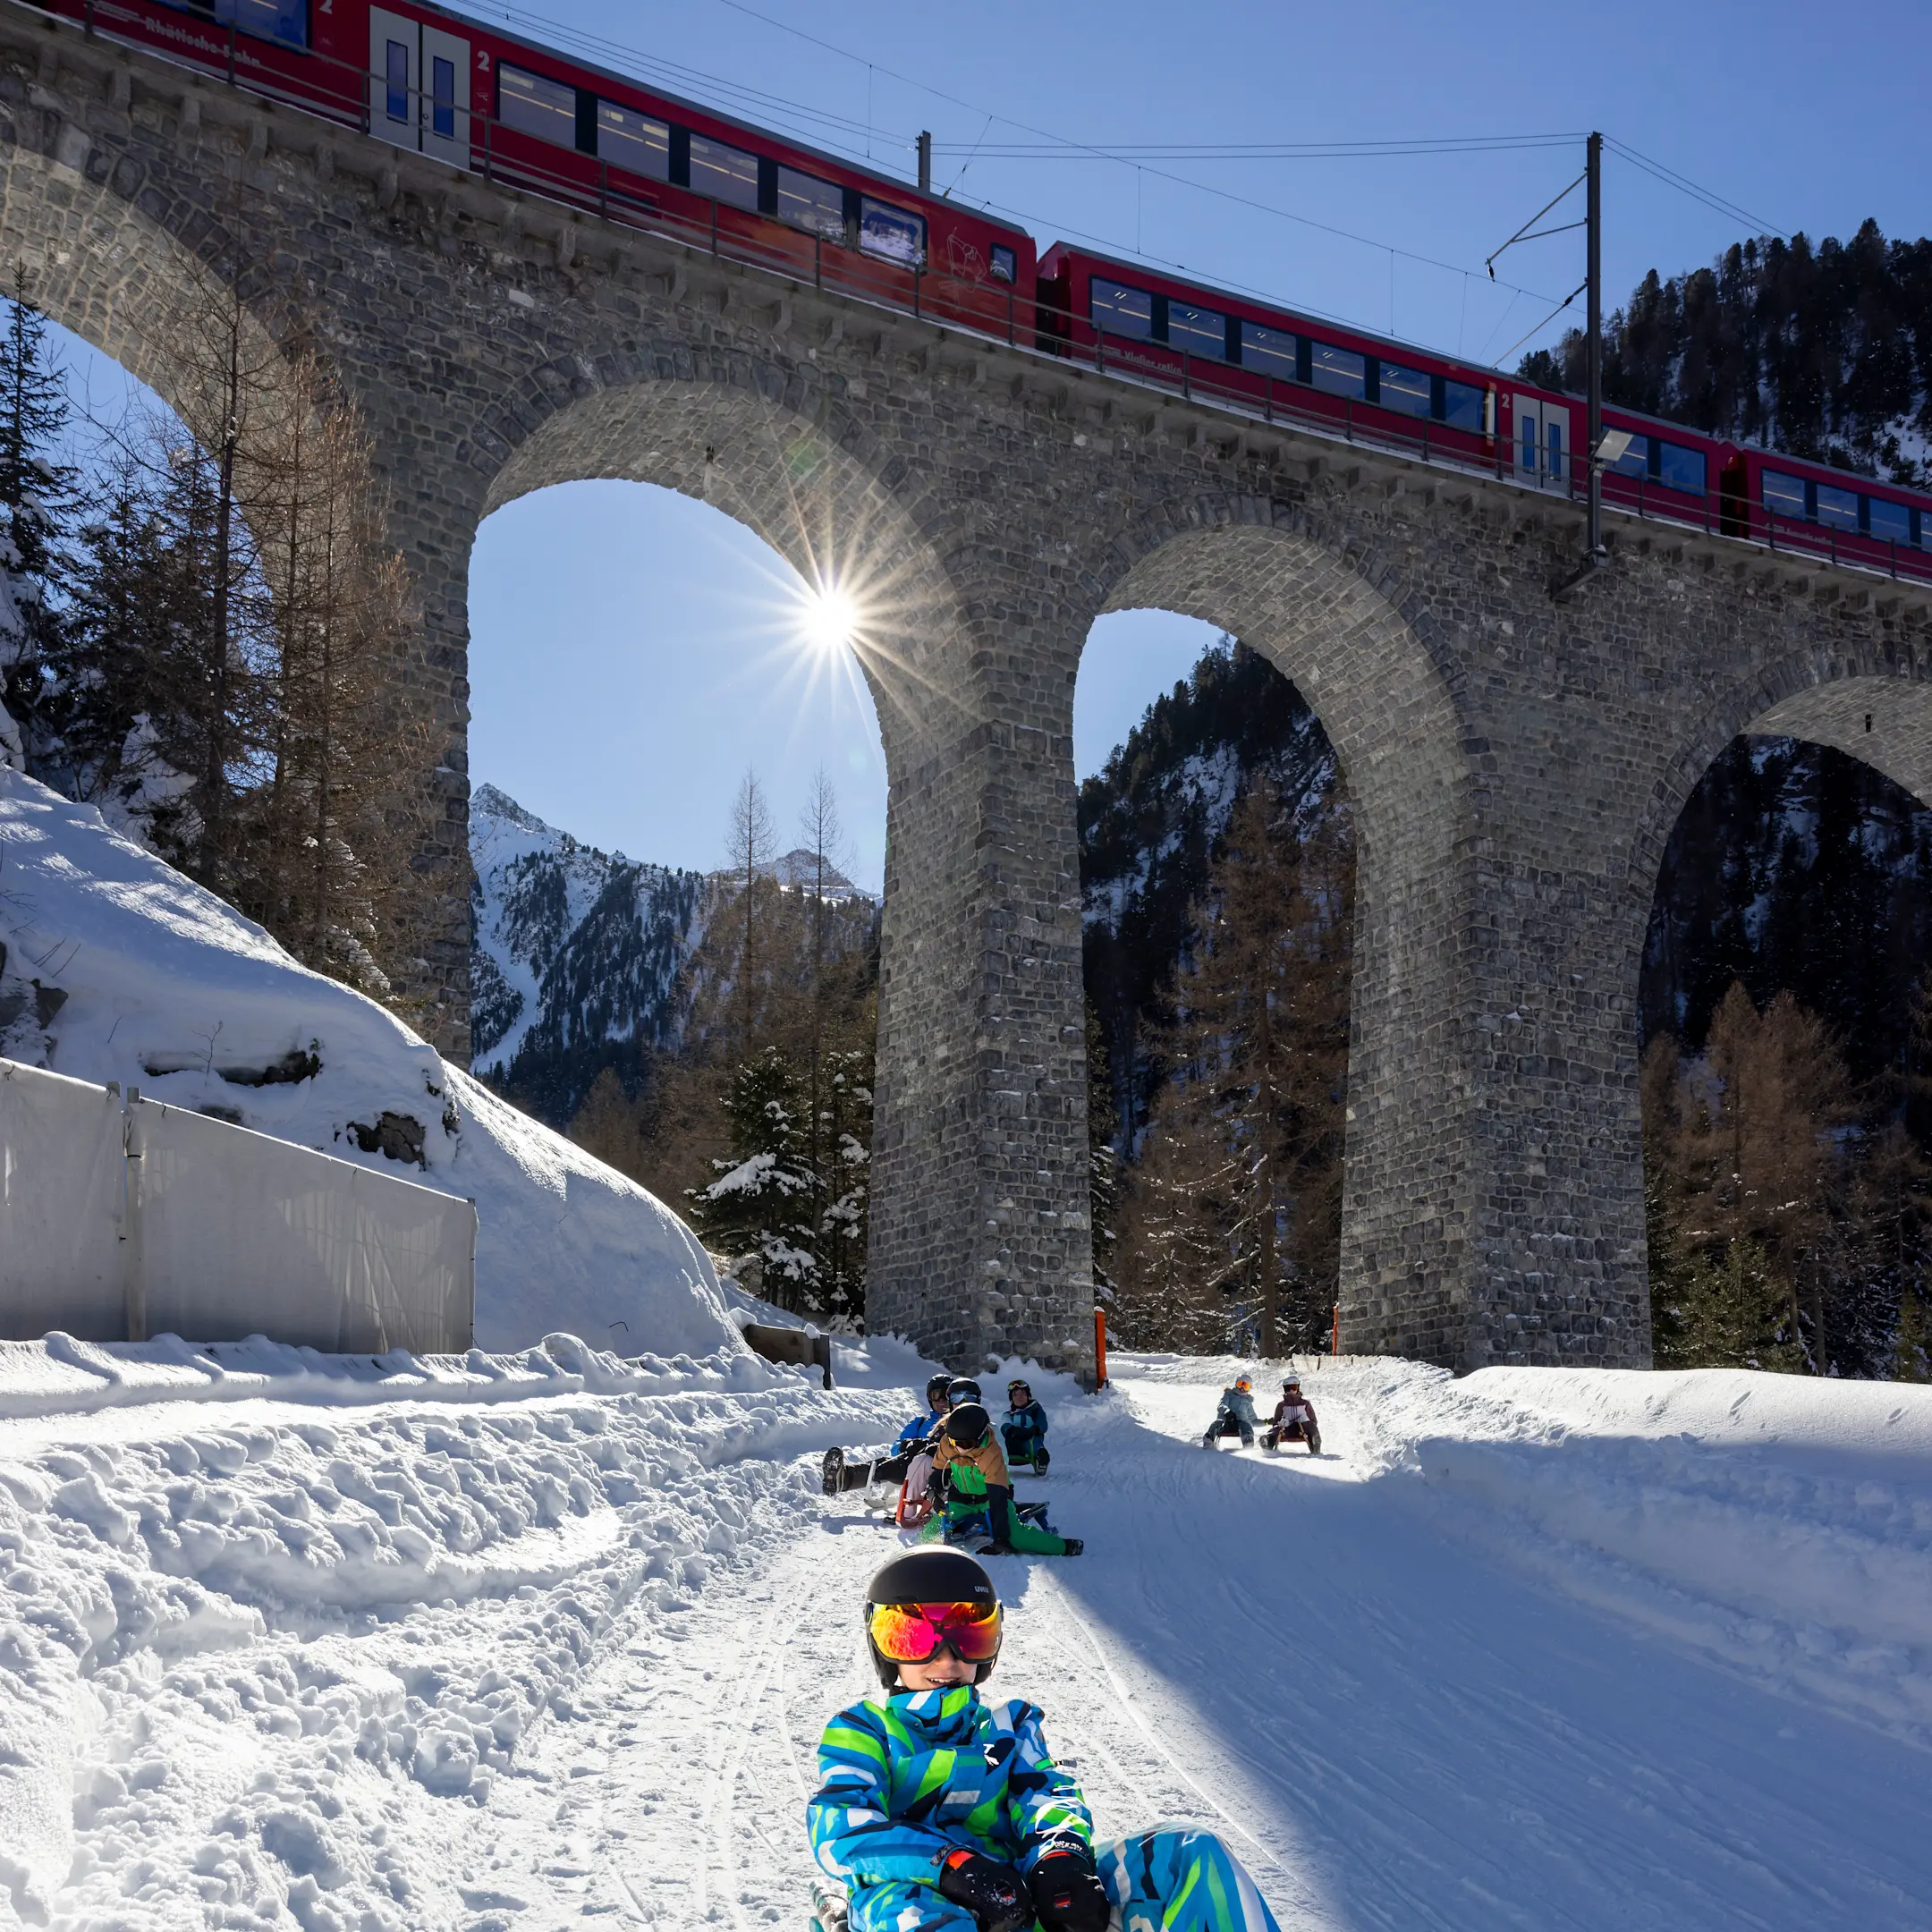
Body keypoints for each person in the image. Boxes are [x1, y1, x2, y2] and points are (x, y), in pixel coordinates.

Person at [808, 1548, 1283, 1932]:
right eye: (914, 1639)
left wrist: (1060, 1857)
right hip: (913, 1894)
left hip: (1018, 1891)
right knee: (917, 1914)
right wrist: (950, 1865)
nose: (948, 1660)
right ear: (883, 1649)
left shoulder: (1009, 1724)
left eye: (970, 1638)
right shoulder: (864, 1730)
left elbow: (1045, 1794)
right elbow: (840, 1827)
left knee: (1187, 1852)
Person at [932, 1404, 1081, 1555]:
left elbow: (997, 1500)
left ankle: (1064, 1546)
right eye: (954, 1442)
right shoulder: (947, 1443)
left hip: (991, 1498)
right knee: (930, 1533)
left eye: (966, 1444)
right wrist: (933, 1494)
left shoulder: (991, 1454)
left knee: (1014, 1536)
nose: (959, 1448)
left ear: (981, 1436)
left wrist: (1001, 1539)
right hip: (961, 1499)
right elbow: (937, 1473)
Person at [823, 1374, 953, 1496]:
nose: (941, 1400)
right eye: (936, 1395)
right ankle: (844, 1478)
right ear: (930, 1398)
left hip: (946, 1470)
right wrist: (905, 1446)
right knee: (887, 1465)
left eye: (946, 1396)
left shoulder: (958, 1422)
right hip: (912, 1468)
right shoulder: (920, 1423)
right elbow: (895, 1448)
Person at [1000, 1379, 1050, 1474]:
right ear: (1012, 1399)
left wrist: (1034, 1429)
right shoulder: (1009, 1415)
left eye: (1022, 1394)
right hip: (1012, 1442)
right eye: (1015, 1395)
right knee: (998, 1444)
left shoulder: (1036, 1411)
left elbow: (1043, 1423)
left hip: (1030, 1440)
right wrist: (1011, 1430)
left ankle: (1041, 1459)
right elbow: (1004, 1424)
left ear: (1028, 1396)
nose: (1019, 1397)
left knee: (1035, 1443)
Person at [1261, 1376, 1321, 1456]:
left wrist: (1306, 1422)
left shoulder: (1305, 1403)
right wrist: (1281, 1423)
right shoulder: (1281, 1405)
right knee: (1277, 1429)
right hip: (1287, 1430)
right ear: (1285, 1390)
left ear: (1298, 1388)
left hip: (1303, 1430)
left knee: (1311, 1426)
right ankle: (1267, 1442)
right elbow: (1276, 1421)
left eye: (1293, 1387)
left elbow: (1313, 1420)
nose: (1291, 1391)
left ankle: (1315, 1442)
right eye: (1288, 1388)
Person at [1201, 1375, 1259, 1449]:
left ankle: (1248, 1441)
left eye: (1246, 1386)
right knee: (1216, 1424)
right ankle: (1209, 1439)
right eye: (1240, 1384)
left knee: (1246, 1425)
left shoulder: (1248, 1402)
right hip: (1226, 1422)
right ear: (1236, 1384)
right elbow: (1221, 1405)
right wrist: (1227, 1411)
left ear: (1249, 1388)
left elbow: (1253, 1420)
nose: (1242, 1388)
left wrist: (1267, 1422)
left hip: (1241, 1425)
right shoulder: (1229, 1395)